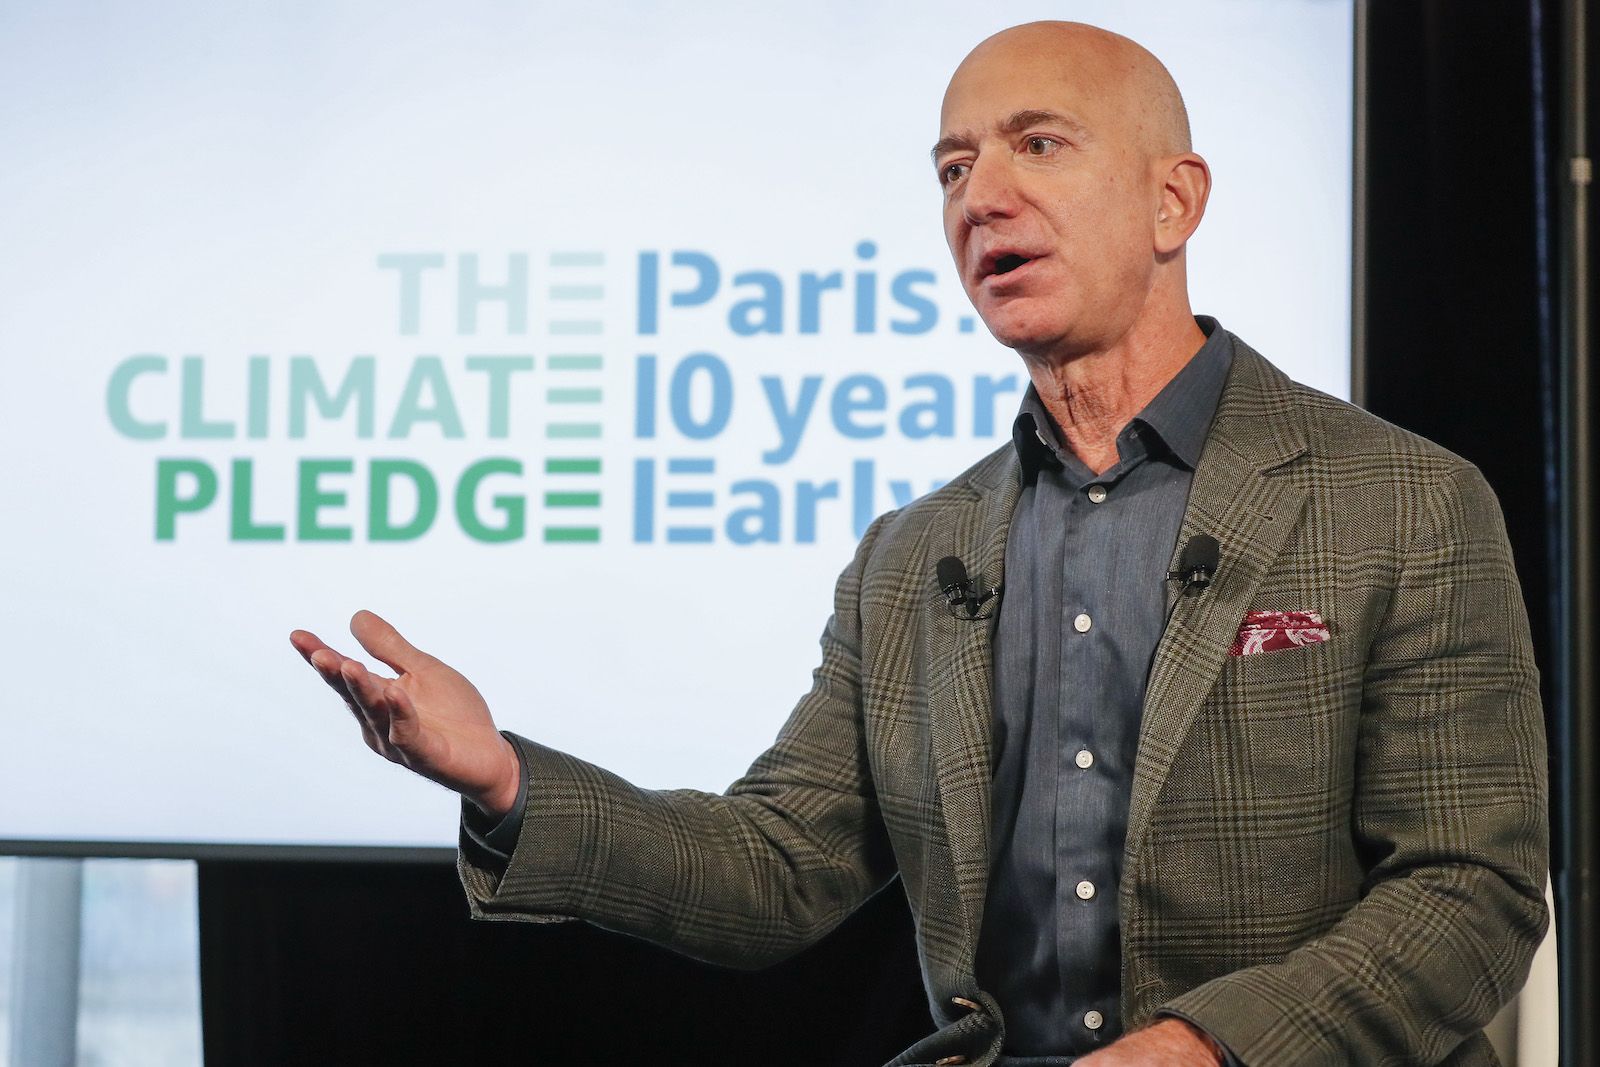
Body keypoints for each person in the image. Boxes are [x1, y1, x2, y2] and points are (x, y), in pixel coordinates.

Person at [291, 21, 1548, 1067]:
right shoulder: (914, 553)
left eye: (1036, 146)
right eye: (951, 169)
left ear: (1175, 200)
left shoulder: (1401, 501)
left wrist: (1206, 1048)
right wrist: (504, 775)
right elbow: (774, 864)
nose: (980, 196)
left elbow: (1469, 889)